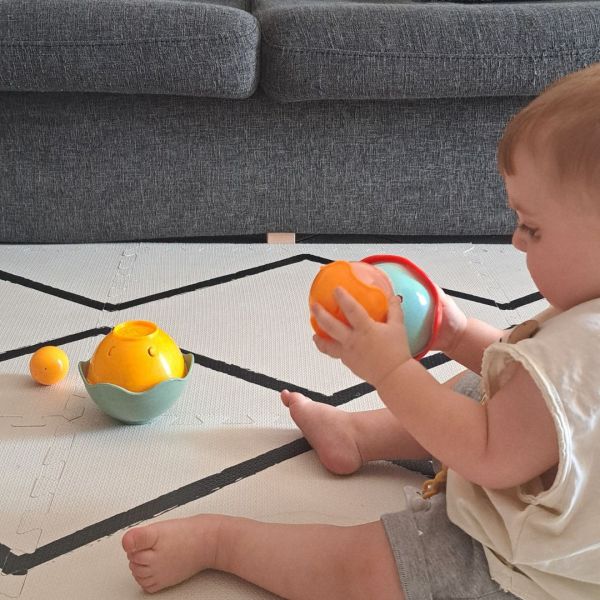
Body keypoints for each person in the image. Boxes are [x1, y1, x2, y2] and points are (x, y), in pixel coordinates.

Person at [121, 63, 600, 599]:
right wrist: (456, 333)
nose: (515, 241)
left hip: (526, 560)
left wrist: (390, 369)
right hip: (536, 463)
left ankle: (223, 543)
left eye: (532, 226)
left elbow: (488, 452)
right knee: (485, 388)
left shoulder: (587, 349)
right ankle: (358, 435)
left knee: (368, 571)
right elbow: (526, 377)